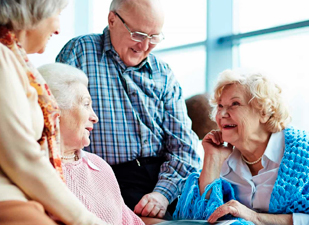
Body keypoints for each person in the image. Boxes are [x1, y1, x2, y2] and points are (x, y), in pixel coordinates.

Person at [0, 1, 106, 224]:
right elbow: (21, 158)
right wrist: (86, 220)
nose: (58, 28)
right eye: (58, 14)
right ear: (35, 14)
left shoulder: (6, 56)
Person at [56, 0, 201, 219]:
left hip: (162, 182)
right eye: (138, 34)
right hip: (102, 179)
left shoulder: (163, 73)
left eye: (154, 37)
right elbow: (59, 123)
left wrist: (162, 194)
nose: (145, 46)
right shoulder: (81, 52)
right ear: (112, 20)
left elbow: (184, 148)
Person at [174, 70, 309, 225]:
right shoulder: (225, 157)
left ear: (264, 112)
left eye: (234, 104)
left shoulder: (304, 149)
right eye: (219, 106)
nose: (222, 114)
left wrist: (254, 217)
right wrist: (211, 159)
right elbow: (196, 219)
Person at [39, 62, 155, 225]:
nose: (95, 117)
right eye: (86, 105)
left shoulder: (100, 166)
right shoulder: (33, 171)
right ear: (54, 110)